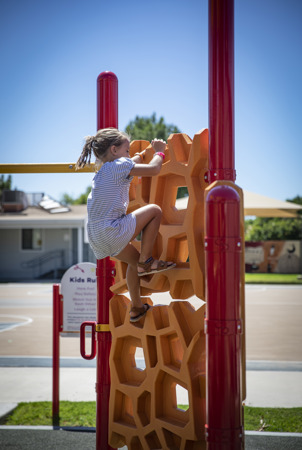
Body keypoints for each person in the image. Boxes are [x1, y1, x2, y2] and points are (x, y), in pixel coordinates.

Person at [76, 128, 176, 322]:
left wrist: (138, 155)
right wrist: (159, 152)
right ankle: (146, 262)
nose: (129, 155)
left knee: (133, 261)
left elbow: (130, 164)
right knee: (154, 210)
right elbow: (154, 169)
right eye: (127, 150)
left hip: (97, 238)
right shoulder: (120, 165)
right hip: (112, 230)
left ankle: (136, 308)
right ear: (114, 150)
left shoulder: (102, 172)